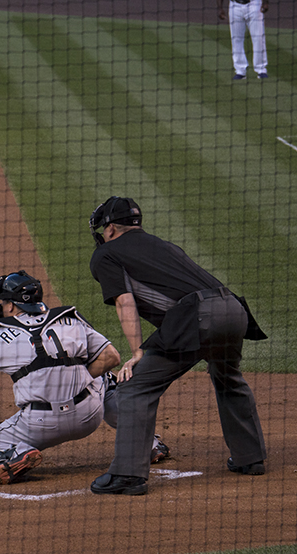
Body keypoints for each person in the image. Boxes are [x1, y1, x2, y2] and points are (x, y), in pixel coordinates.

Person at [87, 196, 268, 495]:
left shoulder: (107, 254)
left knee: (135, 386)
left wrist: (136, 353)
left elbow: (124, 301)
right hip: (234, 310)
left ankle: (128, 476)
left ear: (110, 230)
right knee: (228, 378)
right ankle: (251, 458)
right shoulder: (163, 244)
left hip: (198, 317)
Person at [0, 271, 169, 485]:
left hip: (41, 425)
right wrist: (79, 377)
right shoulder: (70, 319)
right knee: (106, 379)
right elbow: (112, 357)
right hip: (88, 415)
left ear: (11, 306)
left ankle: (18, 454)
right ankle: (147, 445)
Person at [216, 0, 270, 80]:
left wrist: (265, 1)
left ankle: (261, 70)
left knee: (258, 37)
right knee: (236, 38)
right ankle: (240, 70)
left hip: (254, 3)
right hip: (234, 5)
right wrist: (220, 8)